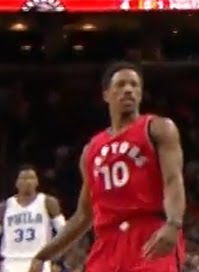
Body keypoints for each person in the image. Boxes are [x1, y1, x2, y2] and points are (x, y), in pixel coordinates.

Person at [27, 63, 186, 272]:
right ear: (106, 95)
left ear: (140, 93)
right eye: (120, 85)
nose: (128, 89)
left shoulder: (158, 128)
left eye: (134, 85)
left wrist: (174, 223)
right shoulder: (91, 150)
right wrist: (43, 255)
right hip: (107, 242)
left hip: (148, 232)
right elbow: (84, 215)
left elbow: (173, 180)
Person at [1, 166, 64, 272]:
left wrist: (58, 260)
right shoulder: (5, 207)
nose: (28, 182)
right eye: (24, 178)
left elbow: (63, 232)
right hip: (11, 262)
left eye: (31, 178)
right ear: (16, 182)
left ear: (37, 182)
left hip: (38, 260)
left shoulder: (48, 202)